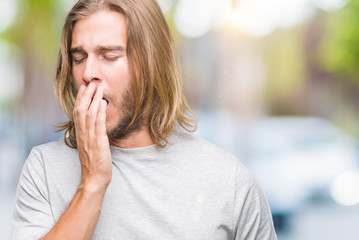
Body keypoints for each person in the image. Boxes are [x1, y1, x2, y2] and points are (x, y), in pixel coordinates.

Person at [11, 0, 277, 239]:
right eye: (79, 58)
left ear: (152, 64)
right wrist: (92, 184)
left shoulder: (229, 182)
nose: (88, 73)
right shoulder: (43, 169)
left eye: (110, 56)